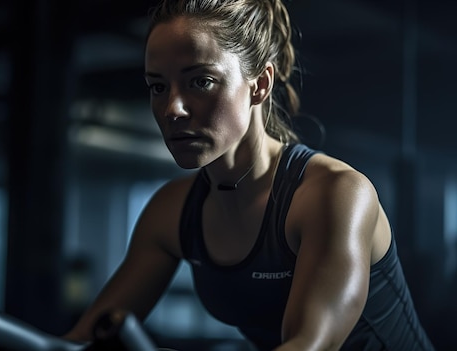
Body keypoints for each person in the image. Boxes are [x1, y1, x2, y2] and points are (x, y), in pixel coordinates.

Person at [63, 0, 435, 350]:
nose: (172, 108)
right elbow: (84, 340)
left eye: (200, 81)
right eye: (158, 87)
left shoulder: (335, 194)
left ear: (259, 84)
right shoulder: (172, 211)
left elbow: (307, 346)